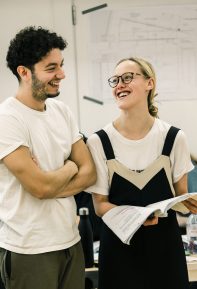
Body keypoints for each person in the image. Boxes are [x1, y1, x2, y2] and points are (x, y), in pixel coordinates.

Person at [86, 57, 197, 289]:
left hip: (165, 250)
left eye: (128, 77)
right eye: (115, 80)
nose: (120, 84)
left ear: (150, 83)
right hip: (118, 252)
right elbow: (100, 206)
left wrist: (191, 204)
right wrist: (137, 216)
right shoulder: (99, 141)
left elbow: (180, 196)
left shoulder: (174, 137)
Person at [0, 26, 96, 289]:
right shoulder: (7, 119)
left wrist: (51, 180)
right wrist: (69, 168)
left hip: (70, 243)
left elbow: (89, 173)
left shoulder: (61, 111)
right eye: (51, 68)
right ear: (24, 72)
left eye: (61, 65)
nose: (61, 74)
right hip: (29, 250)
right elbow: (40, 187)